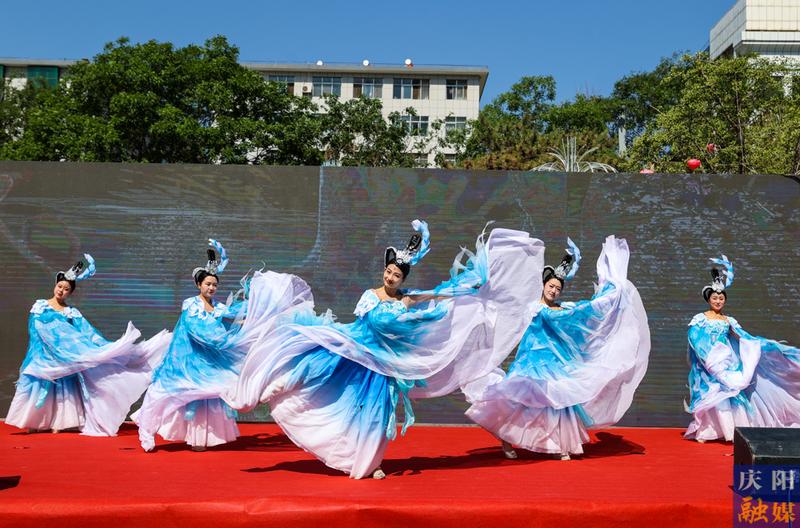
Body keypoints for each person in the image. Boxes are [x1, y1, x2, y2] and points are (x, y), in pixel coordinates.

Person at [225, 220, 545, 479]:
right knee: (308, 369)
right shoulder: (370, 296)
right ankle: (262, 389)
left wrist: (474, 289)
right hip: (356, 354)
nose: (391, 277)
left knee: (375, 416)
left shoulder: (406, 298)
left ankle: (368, 462)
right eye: (389, 272)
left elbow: (440, 293)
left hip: (384, 368)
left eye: (397, 274)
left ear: (403, 277)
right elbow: (366, 325)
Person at [465, 236, 650, 460]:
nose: (554, 291)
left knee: (558, 403)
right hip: (531, 364)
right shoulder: (534, 308)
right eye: (551, 286)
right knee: (517, 404)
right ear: (543, 286)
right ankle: (506, 442)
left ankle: (558, 446)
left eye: (558, 289)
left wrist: (609, 296)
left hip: (555, 364)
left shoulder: (563, 309)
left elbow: (584, 311)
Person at [6, 254, 169, 436]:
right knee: (38, 386)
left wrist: (105, 349)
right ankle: (34, 421)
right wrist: (55, 348)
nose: (61, 291)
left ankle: (60, 422)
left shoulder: (71, 312)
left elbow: (88, 333)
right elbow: (36, 329)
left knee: (63, 388)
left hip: (66, 358)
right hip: (43, 356)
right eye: (60, 286)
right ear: (55, 285)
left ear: (70, 293)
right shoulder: (41, 306)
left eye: (66, 289)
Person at [685, 256, 800, 442]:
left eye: (721, 298)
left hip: (727, 363)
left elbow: (744, 337)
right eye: (715, 298)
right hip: (709, 363)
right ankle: (708, 431)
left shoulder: (728, 321)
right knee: (713, 397)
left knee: (728, 397)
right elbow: (695, 338)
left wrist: (760, 345)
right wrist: (710, 360)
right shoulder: (700, 319)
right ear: (708, 299)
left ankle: (732, 433)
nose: (718, 301)